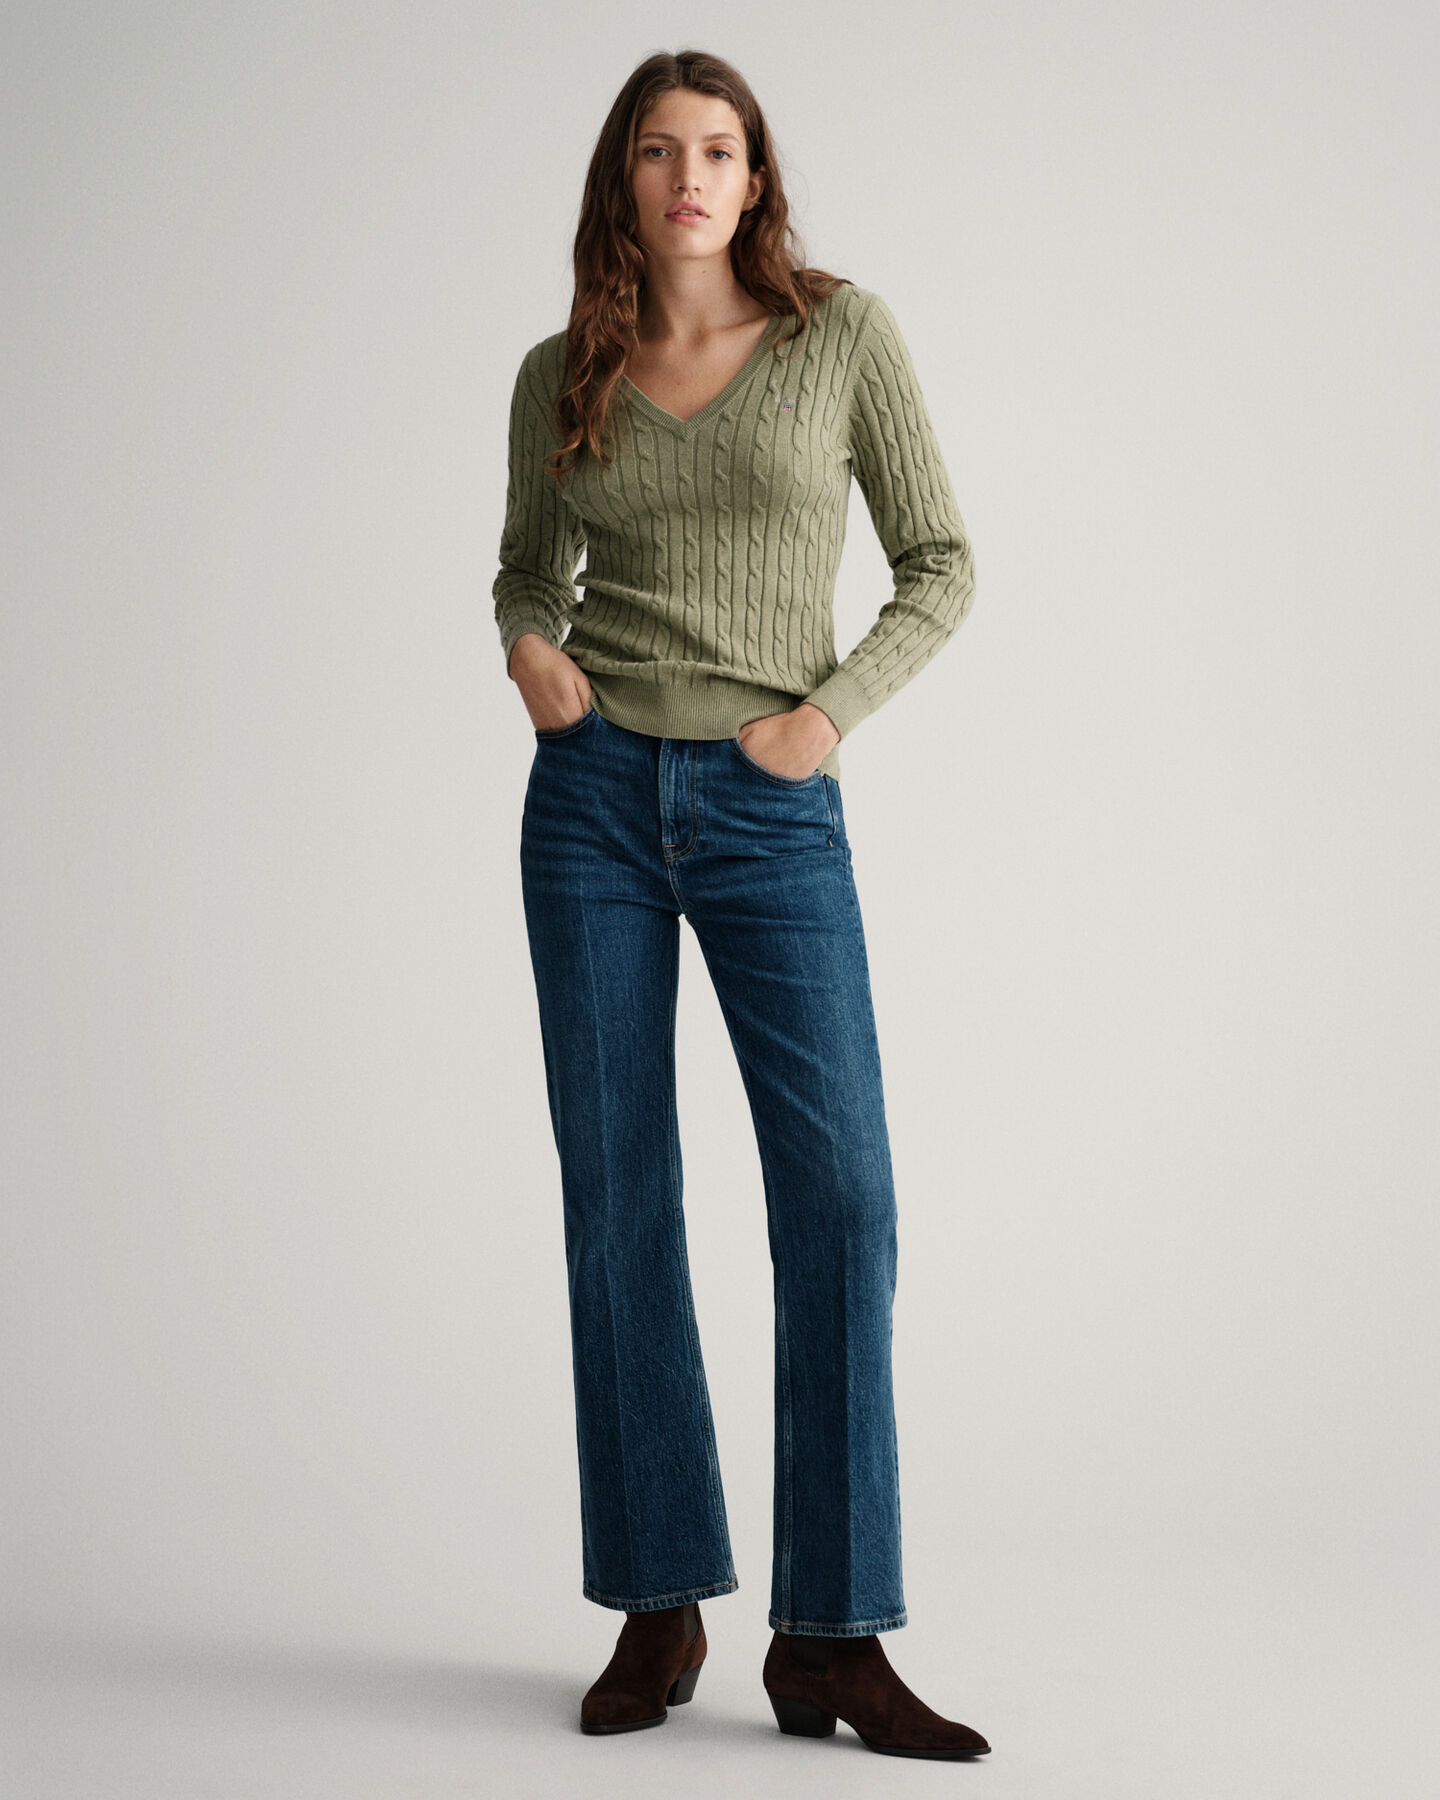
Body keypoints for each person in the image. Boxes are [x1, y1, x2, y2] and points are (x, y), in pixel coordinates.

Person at [492, 48, 990, 1761]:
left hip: (774, 811)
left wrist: (822, 719)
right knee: (620, 1196)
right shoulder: (563, 369)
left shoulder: (842, 339)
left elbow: (943, 563)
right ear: (622, 182)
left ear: (758, 177)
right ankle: (659, 1603)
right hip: (594, 809)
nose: (690, 176)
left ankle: (831, 1635)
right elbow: (526, 566)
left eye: (719, 149)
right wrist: (531, 649)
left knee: (842, 1199)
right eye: (658, 150)